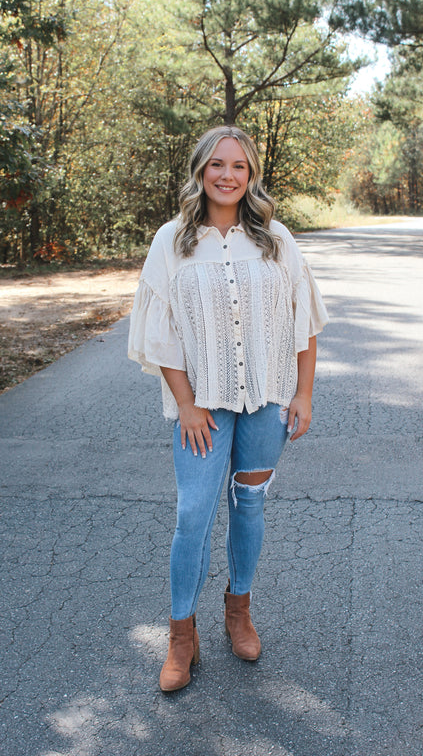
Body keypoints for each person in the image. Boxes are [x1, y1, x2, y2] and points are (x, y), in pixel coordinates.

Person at [128, 125, 328, 692]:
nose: (227, 175)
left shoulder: (276, 240)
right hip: (203, 411)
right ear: (199, 171)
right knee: (193, 515)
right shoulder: (171, 241)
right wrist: (186, 404)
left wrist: (304, 393)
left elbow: (303, 323)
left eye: (238, 166)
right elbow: (161, 329)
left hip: (267, 402)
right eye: (217, 164)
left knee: (249, 507)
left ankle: (238, 611)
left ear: (251, 174)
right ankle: (180, 636)